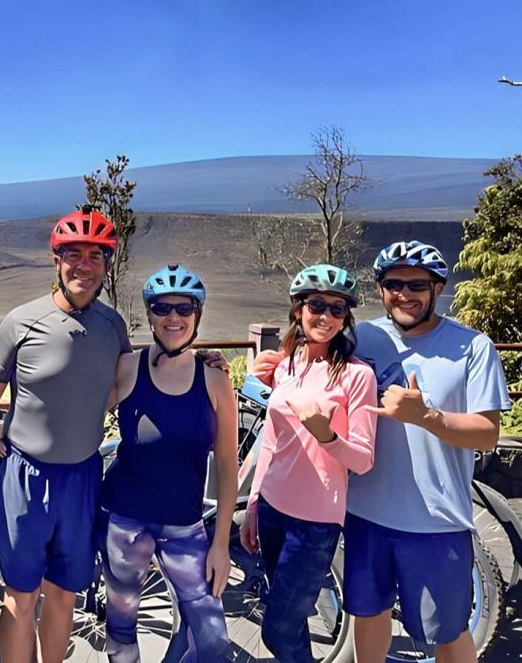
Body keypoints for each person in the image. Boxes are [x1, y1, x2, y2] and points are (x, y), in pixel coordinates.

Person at [0, 205, 131, 663]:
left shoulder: (113, 326)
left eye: (96, 257)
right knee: (20, 595)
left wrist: (198, 363)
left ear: (107, 265)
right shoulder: (21, 322)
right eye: (73, 254)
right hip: (24, 477)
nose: (84, 266)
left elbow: (129, 380)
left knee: (63, 595)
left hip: (82, 478)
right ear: (56, 261)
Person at [341, 241, 511, 663]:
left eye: (417, 284)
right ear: (380, 288)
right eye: (393, 283)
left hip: (436, 523)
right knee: (369, 614)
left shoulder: (472, 347)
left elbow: (488, 433)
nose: (404, 293)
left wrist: (426, 417)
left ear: (438, 288)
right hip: (364, 514)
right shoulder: (361, 339)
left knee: (449, 632)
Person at [99, 264, 237, 662]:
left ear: (197, 314)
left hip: (184, 524)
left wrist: (221, 543)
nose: (173, 317)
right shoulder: (128, 367)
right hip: (124, 520)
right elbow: (79, 411)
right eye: (162, 308)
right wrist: (14, 425)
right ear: (149, 315)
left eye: (184, 308)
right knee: (121, 625)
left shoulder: (214, 379)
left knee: (211, 635)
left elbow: (228, 464)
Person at [240, 263, 378, 662]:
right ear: (298, 310)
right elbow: (272, 441)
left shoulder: (357, 376)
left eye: (338, 310)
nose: (327, 317)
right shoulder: (287, 364)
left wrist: (327, 436)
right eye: (318, 305)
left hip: (315, 523)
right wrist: (252, 505)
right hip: (271, 508)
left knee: (278, 630)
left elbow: (364, 460)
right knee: (294, 623)